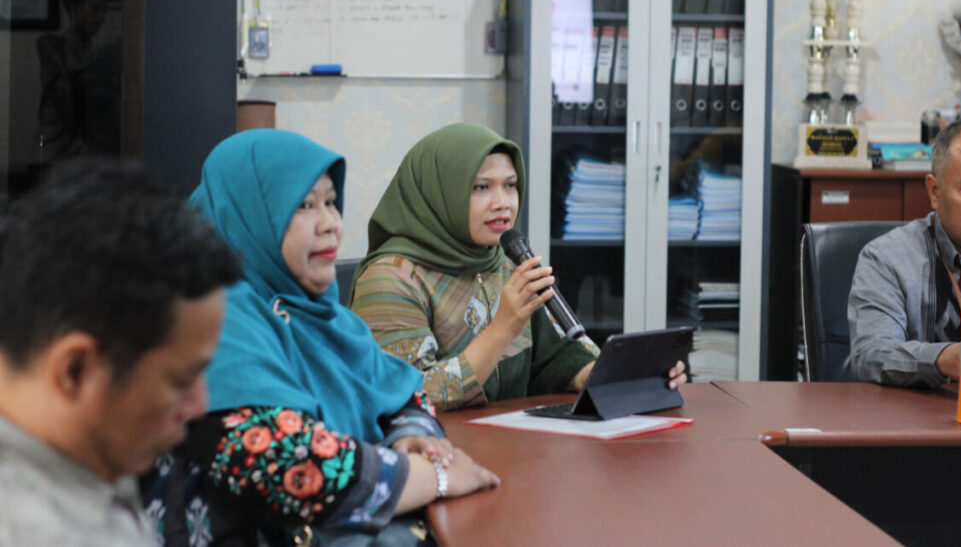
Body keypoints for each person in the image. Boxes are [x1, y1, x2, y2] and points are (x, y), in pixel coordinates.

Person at [145, 129, 499, 545]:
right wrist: (433, 477)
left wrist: (411, 435)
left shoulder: (326, 316)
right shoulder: (212, 316)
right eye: (304, 205)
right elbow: (282, 464)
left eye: (331, 202)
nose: (330, 223)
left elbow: (402, 392)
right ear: (248, 215)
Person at [350, 123, 686, 411]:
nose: (503, 203)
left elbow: (554, 358)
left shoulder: (504, 262)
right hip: (432, 453)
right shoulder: (391, 278)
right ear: (440, 193)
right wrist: (502, 330)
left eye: (510, 185)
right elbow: (407, 396)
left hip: (510, 448)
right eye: (481, 187)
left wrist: (620, 376)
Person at [0, 157, 241, 545]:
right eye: (180, 381)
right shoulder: (39, 532)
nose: (199, 406)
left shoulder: (88, 458)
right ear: (75, 370)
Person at [848, 116, 961, 387]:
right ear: (934, 191)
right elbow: (870, 355)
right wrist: (944, 359)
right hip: (919, 413)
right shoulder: (887, 258)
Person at [37, 0, 120, 161]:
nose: (102, 17)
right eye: (95, 9)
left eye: (104, 11)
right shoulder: (54, 48)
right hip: (66, 151)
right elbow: (65, 97)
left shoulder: (95, 51)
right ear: (75, 8)